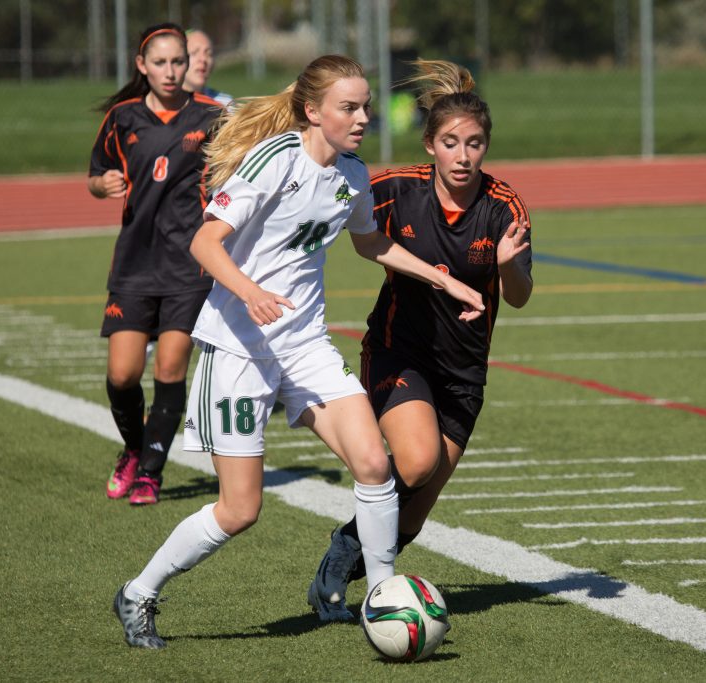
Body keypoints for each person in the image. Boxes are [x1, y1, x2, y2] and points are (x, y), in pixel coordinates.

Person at [111, 54, 486, 649]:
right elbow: (206, 244)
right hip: (239, 349)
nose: (364, 116)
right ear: (313, 111)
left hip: (305, 345)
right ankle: (138, 593)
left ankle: (380, 600)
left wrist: (442, 278)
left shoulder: (353, 175)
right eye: (350, 107)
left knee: (374, 466)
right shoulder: (274, 160)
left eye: (365, 105)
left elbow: (370, 242)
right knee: (239, 510)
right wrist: (250, 292)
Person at [306, 59, 533, 620]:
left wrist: (508, 266)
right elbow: (333, 193)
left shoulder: (504, 208)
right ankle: (341, 569)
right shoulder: (395, 190)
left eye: (474, 143)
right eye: (451, 142)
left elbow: (522, 295)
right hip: (397, 351)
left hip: (465, 372)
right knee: (416, 460)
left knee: (414, 513)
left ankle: (351, 555)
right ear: (430, 144)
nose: (463, 155)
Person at [88, 23, 223, 506]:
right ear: (141, 66)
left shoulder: (213, 117)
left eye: (178, 62)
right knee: (122, 375)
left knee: (169, 369)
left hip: (189, 268)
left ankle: (150, 473)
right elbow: (96, 175)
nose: (171, 71)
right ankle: (132, 447)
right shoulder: (122, 117)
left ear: (189, 64)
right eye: (161, 63)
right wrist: (101, 186)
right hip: (134, 266)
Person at [183, 29, 233, 107]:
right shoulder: (163, 104)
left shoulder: (225, 104)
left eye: (209, 54)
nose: (203, 59)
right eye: (194, 52)